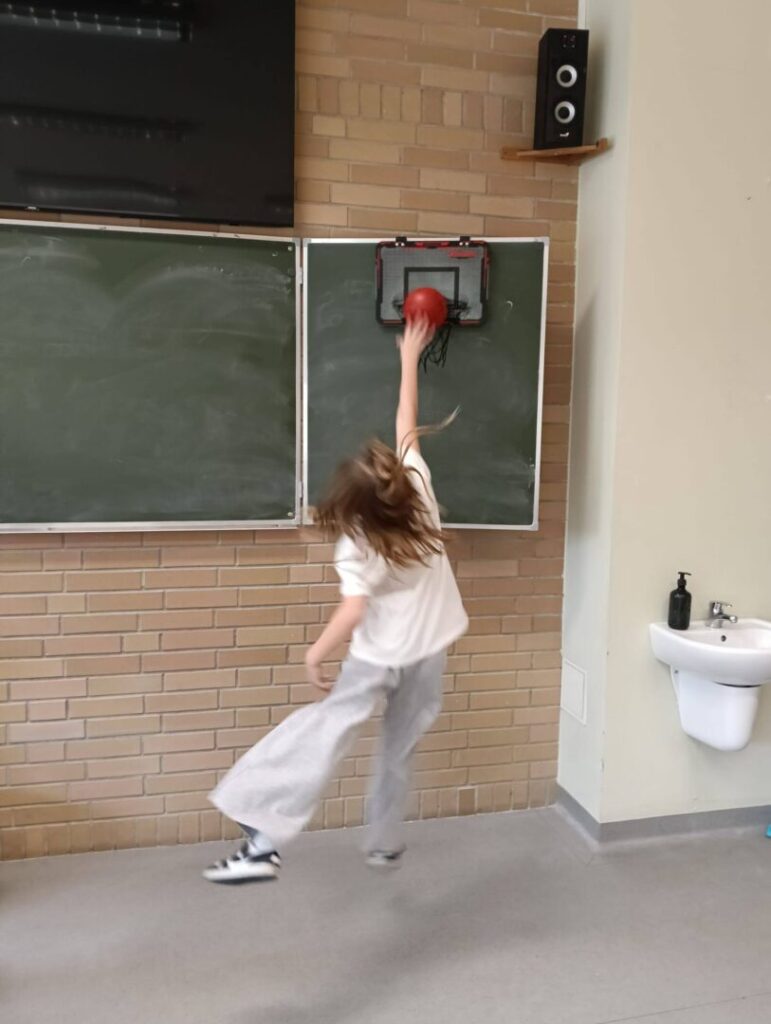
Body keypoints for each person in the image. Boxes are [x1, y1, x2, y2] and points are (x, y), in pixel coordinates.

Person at [203, 314, 468, 883]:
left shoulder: (357, 543)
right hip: (430, 649)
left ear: (351, 504)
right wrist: (409, 359)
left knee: (326, 730)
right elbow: (406, 424)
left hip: (379, 656)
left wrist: (315, 654)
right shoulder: (419, 489)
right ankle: (384, 844)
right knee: (398, 745)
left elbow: (354, 610)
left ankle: (263, 839)